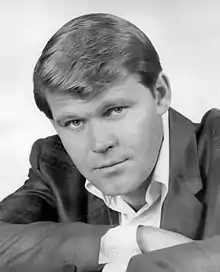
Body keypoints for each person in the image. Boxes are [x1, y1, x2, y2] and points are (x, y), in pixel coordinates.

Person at [0, 12, 220, 272]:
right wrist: (129, 240)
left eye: (115, 110)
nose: (100, 143)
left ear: (160, 94)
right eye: (74, 122)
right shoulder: (56, 166)